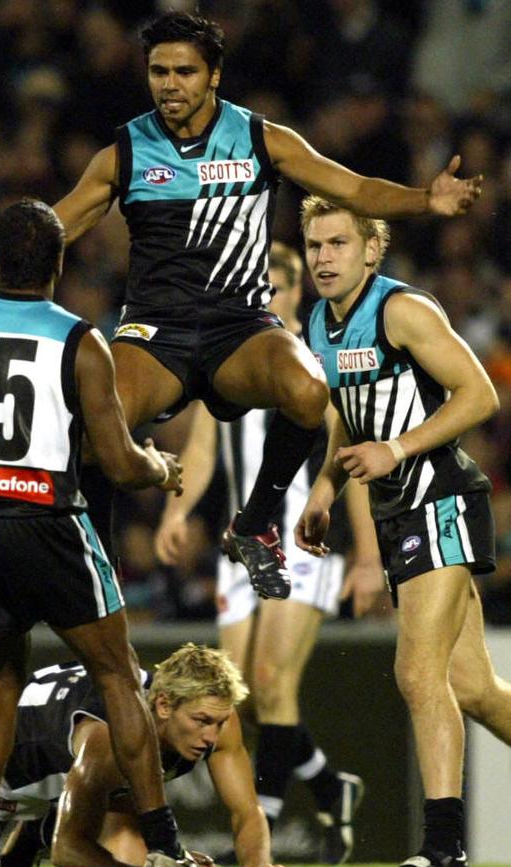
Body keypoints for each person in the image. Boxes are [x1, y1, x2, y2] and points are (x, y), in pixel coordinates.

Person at [0, 11, 483, 601]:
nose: (170, 84)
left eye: (184, 71)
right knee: (89, 432)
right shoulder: (125, 153)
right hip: (153, 333)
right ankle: (95, 573)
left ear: (213, 75)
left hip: (240, 327)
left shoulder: (263, 139)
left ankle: (254, 524)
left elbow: (352, 188)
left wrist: (426, 200)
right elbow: (43, 234)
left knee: (305, 389)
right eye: (159, 71)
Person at [0, 198, 189, 867]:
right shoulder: (79, 340)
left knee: (0, 677)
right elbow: (117, 461)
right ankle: (165, 845)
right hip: (48, 523)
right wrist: (160, 467)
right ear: (58, 263)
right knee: (118, 674)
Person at [295, 196, 511, 867]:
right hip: (397, 513)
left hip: (440, 498)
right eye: (314, 245)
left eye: (336, 244)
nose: (323, 258)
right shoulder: (319, 323)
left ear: (370, 249)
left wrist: (398, 448)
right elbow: (345, 412)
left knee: (418, 672)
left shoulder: (402, 309)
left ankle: (444, 848)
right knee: (473, 688)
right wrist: (326, 486)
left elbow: (479, 393)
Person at [155, 242, 382, 864]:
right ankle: (330, 785)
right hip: (241, 548)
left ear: (296, 294)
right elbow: (203, 450)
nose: (269, 299)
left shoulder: (315, 361)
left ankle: (265, 827)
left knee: (268, 682)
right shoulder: (225, 356)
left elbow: (351, 455)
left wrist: (366, 555)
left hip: (304, 540)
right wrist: (176, 510)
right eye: (261, 288)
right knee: (243, 702)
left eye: (279, 288)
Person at [0, 643, 282, 867]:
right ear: (164, 706)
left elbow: (247, 812)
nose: (211, 736)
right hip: (20, 755)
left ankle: (34, 833)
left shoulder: (218, 718)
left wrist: (259, 864)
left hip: (79, 769)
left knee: (135, 845)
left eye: (218, 721)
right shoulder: (106, 739)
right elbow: (69, 852)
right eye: (202, 721)